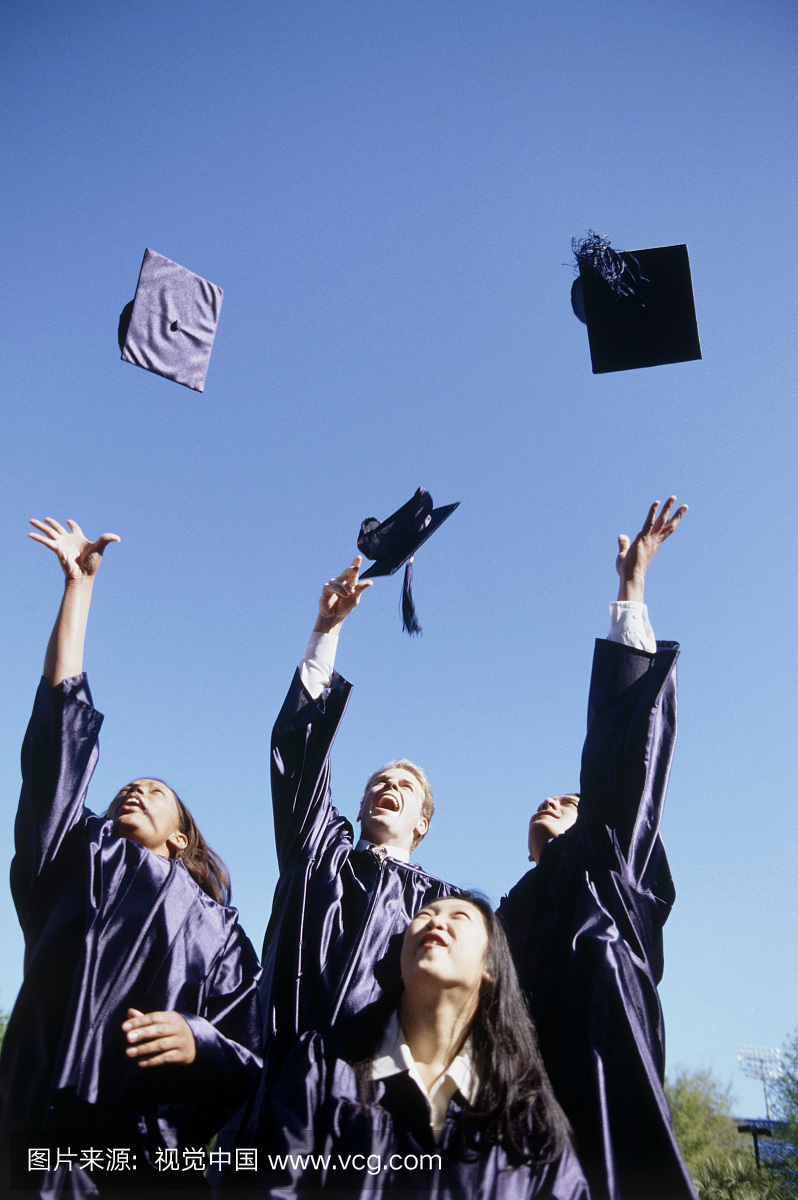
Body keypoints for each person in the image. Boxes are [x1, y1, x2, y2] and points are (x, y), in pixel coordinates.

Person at [0, 519, 263, 1198]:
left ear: (182, 836)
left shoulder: (219, 931)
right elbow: (58, 738)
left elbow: (253, 1054)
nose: (136, 788)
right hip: (26, 1137)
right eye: (127, 786)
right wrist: (78, 591)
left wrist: (197, 1038)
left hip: (141, 1163)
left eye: (157, 791)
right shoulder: (73, 854)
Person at [228, 556, 463, 1165]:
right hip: (284, 1101)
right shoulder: (320, 856)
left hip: (388, 1123)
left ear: (423, 822)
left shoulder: (445, 910)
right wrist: (326, 632)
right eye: (378, 780)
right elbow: (299, 759)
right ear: (357, 807)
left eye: (404, 786)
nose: (388, 785)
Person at [498, 498, 697, 1200]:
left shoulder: (606, 863)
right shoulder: (500, 915)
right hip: (511, 1117)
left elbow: (621, 758)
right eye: (544, 802)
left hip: (602, 1095)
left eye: (570, 801)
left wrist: (631, 594)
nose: (553, 802)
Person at [251, 896, 589, 1199]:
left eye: (459, 916)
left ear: (490, 967)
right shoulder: (323, 1066)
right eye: (425, 914)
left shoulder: (526, 1114)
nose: (436, 921)